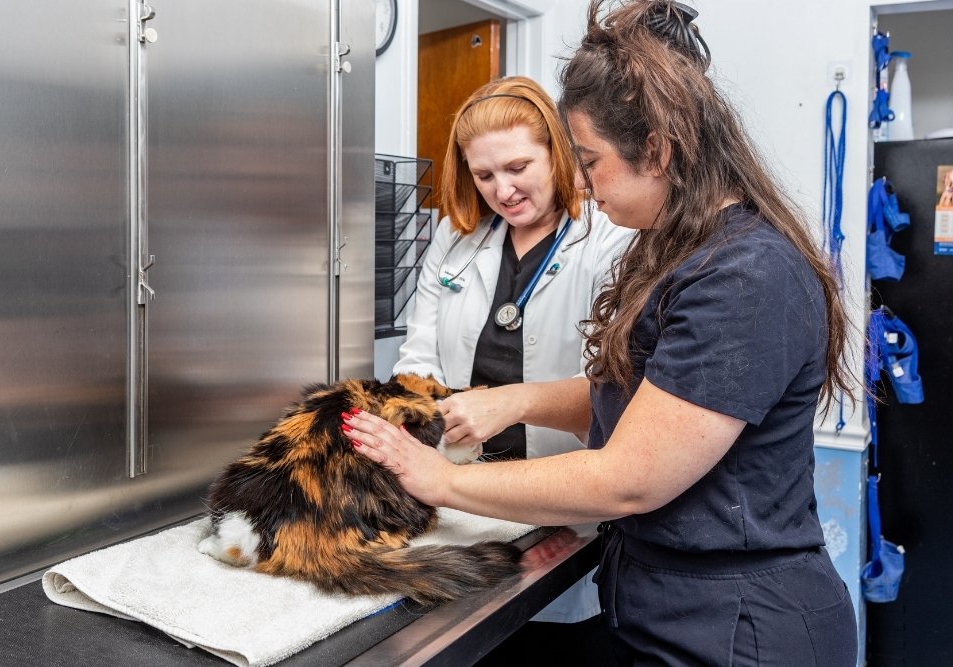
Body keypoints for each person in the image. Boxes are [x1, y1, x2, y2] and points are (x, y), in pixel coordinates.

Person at [348, 1, 860, 665]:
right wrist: (520, 399)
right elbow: (640, 404)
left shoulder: (744, 274)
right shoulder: (686, 253)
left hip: (738, 628)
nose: (584, 183)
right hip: (667, 607)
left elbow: (629, 477)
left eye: (587, 161)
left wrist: (435, 480)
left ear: (657, 148)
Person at [391, 75, 634, 663]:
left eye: (519, 167)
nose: (503, 190)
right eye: (483, 175)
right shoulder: (456, 240)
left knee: (553, 645)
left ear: (559, 151)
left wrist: (512, 400)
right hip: (467, 506)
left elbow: (619, 397)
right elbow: (417, 359)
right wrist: (412, 416)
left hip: (565, 509)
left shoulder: (610, 241)